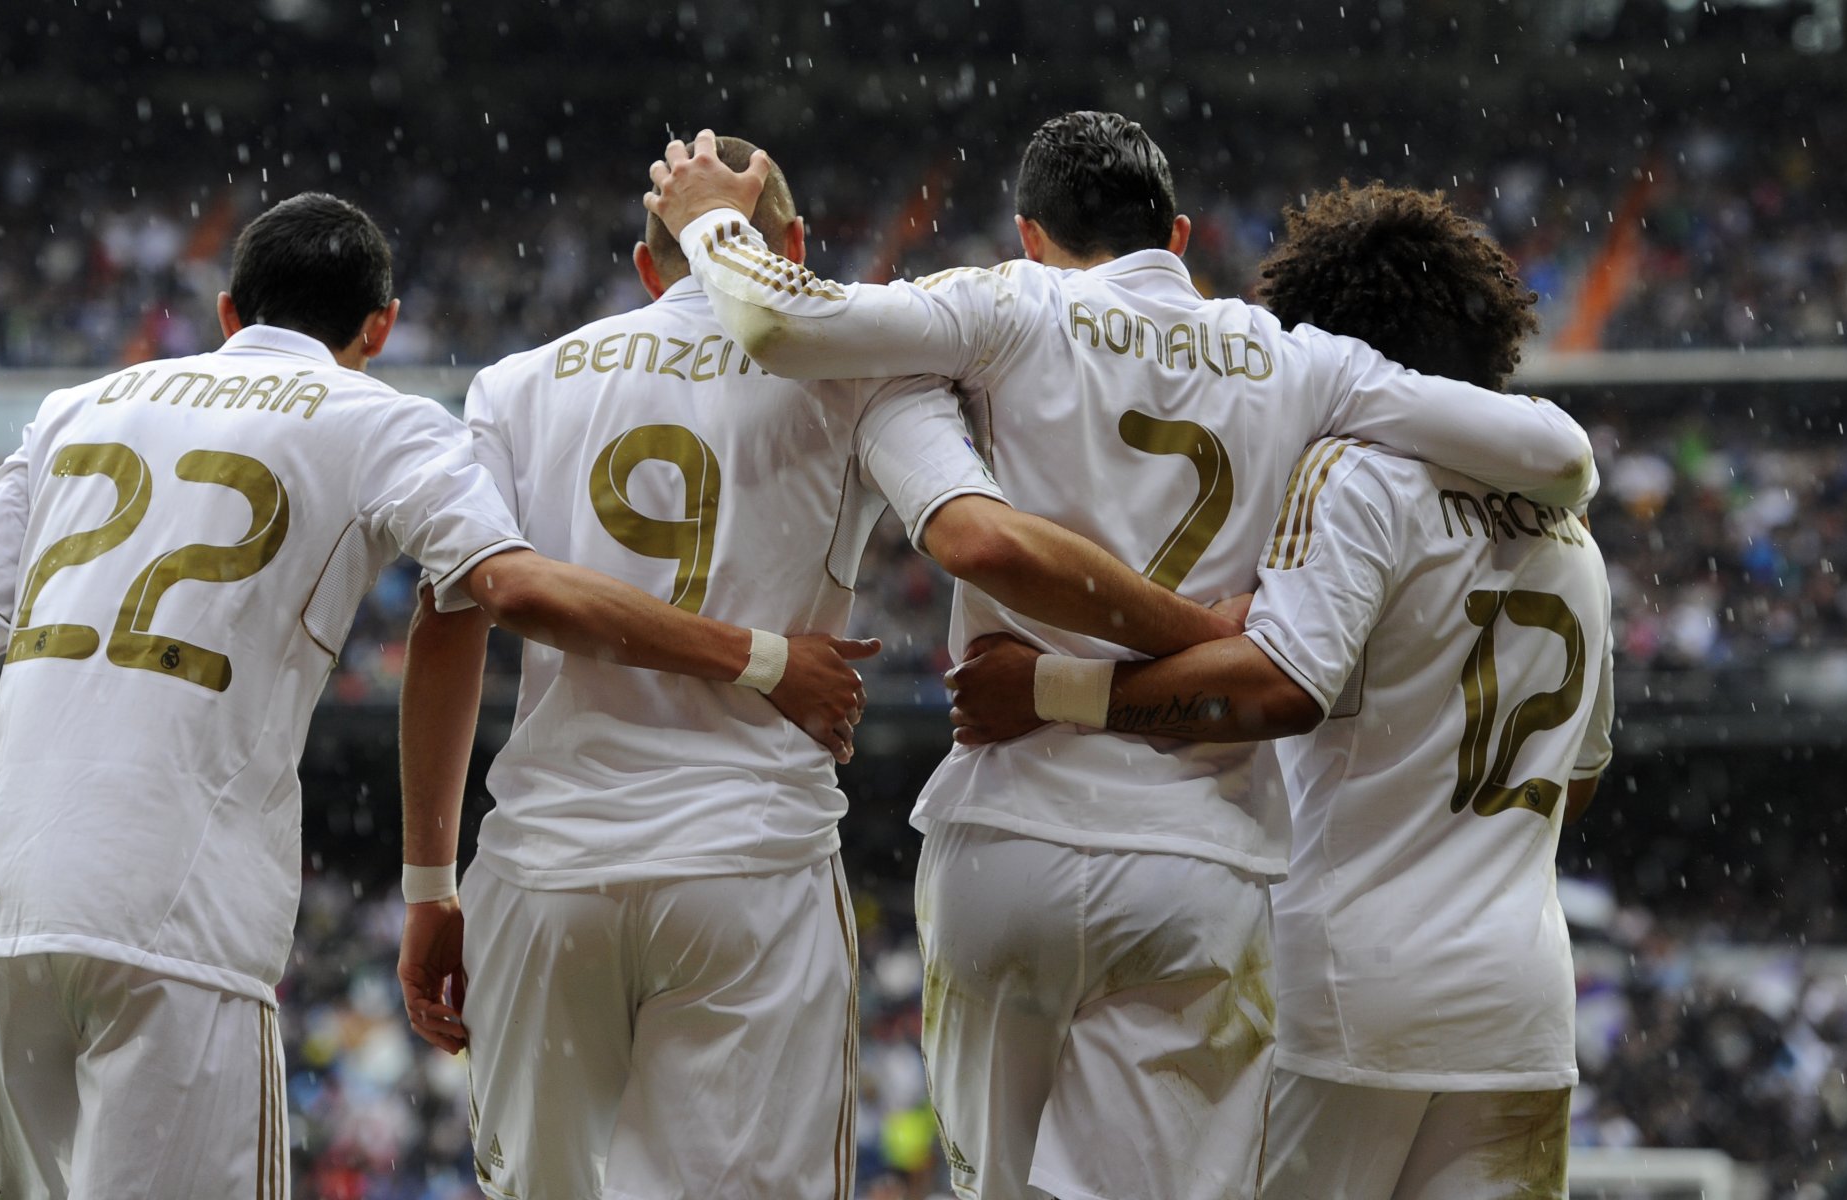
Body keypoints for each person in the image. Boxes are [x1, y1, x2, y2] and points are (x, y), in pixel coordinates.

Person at [645, 117, 1599, 1200]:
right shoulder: (1299, 360)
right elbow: (1559, 453)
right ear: (1177, 235)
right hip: (1198, 859)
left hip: (1009, 833)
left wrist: (713, 223)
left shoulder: (1006, 301)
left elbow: (778, 321)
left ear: (1030, 233)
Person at [0, 191, 865, 1199]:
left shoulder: (73, 410)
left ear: (229, 312)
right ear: (382, 325)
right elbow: (506, 590)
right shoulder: (383, 422)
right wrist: (764, 658)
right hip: (171, 922)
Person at [394, 135, 1243, 1200]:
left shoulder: (513, 388)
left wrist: (429, 887)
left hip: (545, 868)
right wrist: (1193, 631)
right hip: (749, 861)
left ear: (647, 265)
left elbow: (448, 620)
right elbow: (972, 533)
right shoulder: (855, 373)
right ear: (792, 249)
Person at [949, 182, 1614, 1200]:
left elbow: (1278, 687)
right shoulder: (1574, 538)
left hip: (1342, 994)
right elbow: (1578, 779)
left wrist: (1050, 689)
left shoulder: (1355, 475)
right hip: (1519, 1006)